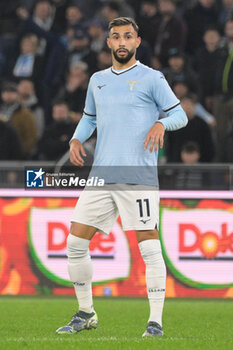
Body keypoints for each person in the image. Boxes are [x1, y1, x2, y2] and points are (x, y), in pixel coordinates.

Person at [56, 17, 188, 337]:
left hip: (138, 176)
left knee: (149, 249)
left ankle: (154, 322)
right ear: (109, 43)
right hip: (102, 176)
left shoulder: (152, 77)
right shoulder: (98, 80)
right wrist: (76, 138)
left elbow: (180, 115)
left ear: (138, 42)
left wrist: (161, 124)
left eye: (128, 36)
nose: (122, 42)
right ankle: (86, 312)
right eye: (116, 37)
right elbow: (89, 119)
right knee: (75, 242)